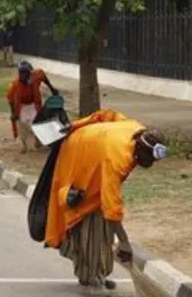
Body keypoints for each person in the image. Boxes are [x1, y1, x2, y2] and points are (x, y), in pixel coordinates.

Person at [43, 109, 167, 290]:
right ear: (141, 150)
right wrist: (124, 241)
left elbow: (107, 114)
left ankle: (92, 274)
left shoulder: (136, 128)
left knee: (98, 224)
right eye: (149, 159)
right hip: (76, 155)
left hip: (92, 153)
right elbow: (111, 208)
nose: (150, 163)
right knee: (94, 224)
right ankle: (94, 279)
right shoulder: (116, 159)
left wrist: (76, 124)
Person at [6, 60, 59, 153]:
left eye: (24, 73)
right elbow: (10, 100)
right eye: (20, 72)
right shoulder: (14, 85)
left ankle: (37, 140)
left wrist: (52, 88)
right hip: (21, 106)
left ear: (29, 73)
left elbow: (44, 77)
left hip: (33, 105)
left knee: (36, 123)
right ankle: (24, 145)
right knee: (21, 125)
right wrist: (13, 113)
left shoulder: (36, 76)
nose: (22, 75)